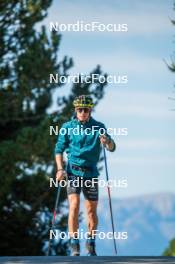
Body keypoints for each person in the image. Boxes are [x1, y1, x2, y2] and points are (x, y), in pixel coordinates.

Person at [55, 95, 116, 256]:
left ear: (90, 110)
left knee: (91, 211)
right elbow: (58, 150)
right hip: (72, 172)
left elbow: (112, 147)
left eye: (86, 110)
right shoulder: (67, 127)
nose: (82, 112)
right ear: (75, 110)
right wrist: (60, 169)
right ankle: (74, 245)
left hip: (90, 173)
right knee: (74, 205)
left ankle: (91, 242)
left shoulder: (99, 127)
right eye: (80, 109)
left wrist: (107, 141)